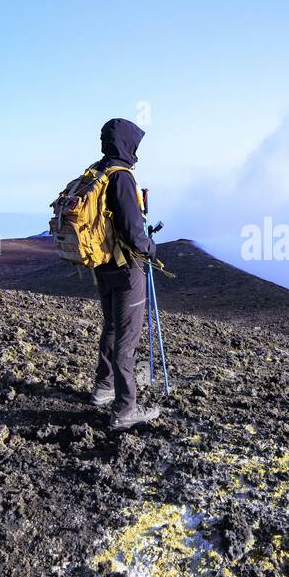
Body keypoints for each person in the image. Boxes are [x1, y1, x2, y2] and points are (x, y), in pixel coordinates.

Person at [87, 117, 161, 431]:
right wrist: (150, 248)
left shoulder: (96, 172)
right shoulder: (122, 178)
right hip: (126, 266)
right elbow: (133, 232)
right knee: (127, 338)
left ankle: (103, 388)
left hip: (102, 264)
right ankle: (125, 409)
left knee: (113, 326)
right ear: (127, 143)